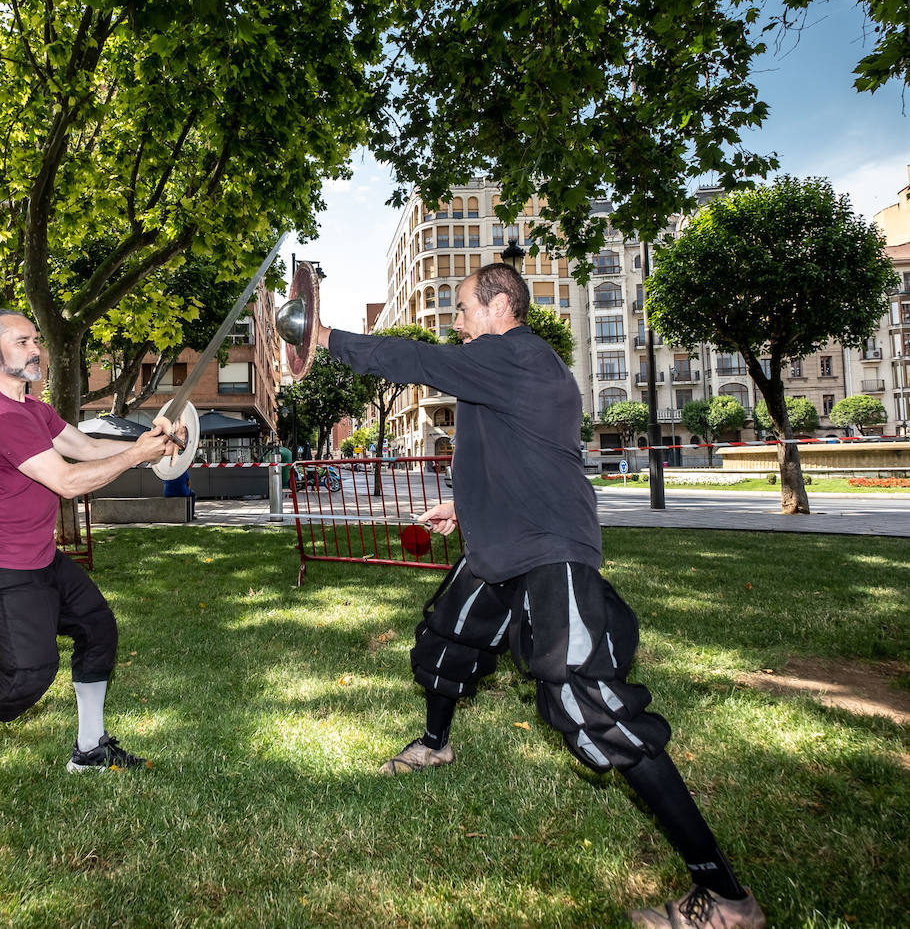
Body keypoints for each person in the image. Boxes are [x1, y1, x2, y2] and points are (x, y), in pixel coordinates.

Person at [317, 264, 765, 929]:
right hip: (503, 544)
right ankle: (436, 743)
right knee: (449, 639)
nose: (456, 323)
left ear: (500, 306)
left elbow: (411, 358)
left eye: (464, 308)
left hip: (549, 551)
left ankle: (726, 898)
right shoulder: (507, 367)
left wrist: (325, 337)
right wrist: (461, 510)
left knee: (594, 710)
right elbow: (519, 459)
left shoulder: (515, 354)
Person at [0, 309, 181, 803]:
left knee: (97, 629)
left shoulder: (30, 407)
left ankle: (90, 748)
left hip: (36, 555)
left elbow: (82, 445)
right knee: (25, 678)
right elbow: (68, 481)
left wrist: (141, 443)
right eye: (22, 341)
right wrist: (137, 457)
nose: (36, 349)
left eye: (36, 340)